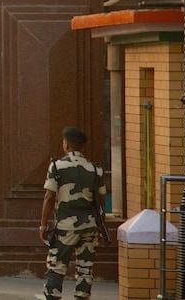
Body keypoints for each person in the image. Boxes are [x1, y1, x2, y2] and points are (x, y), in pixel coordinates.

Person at [40, 126, 105, 300]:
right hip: (89, 226)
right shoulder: (95, 169)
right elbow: (101, 201)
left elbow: (49, 197)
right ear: (82, 146)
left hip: (65, 227)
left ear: (66, 144)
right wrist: (99, 225)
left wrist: (43, 224)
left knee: (56, 267)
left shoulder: (57, 166)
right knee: (85, 270)